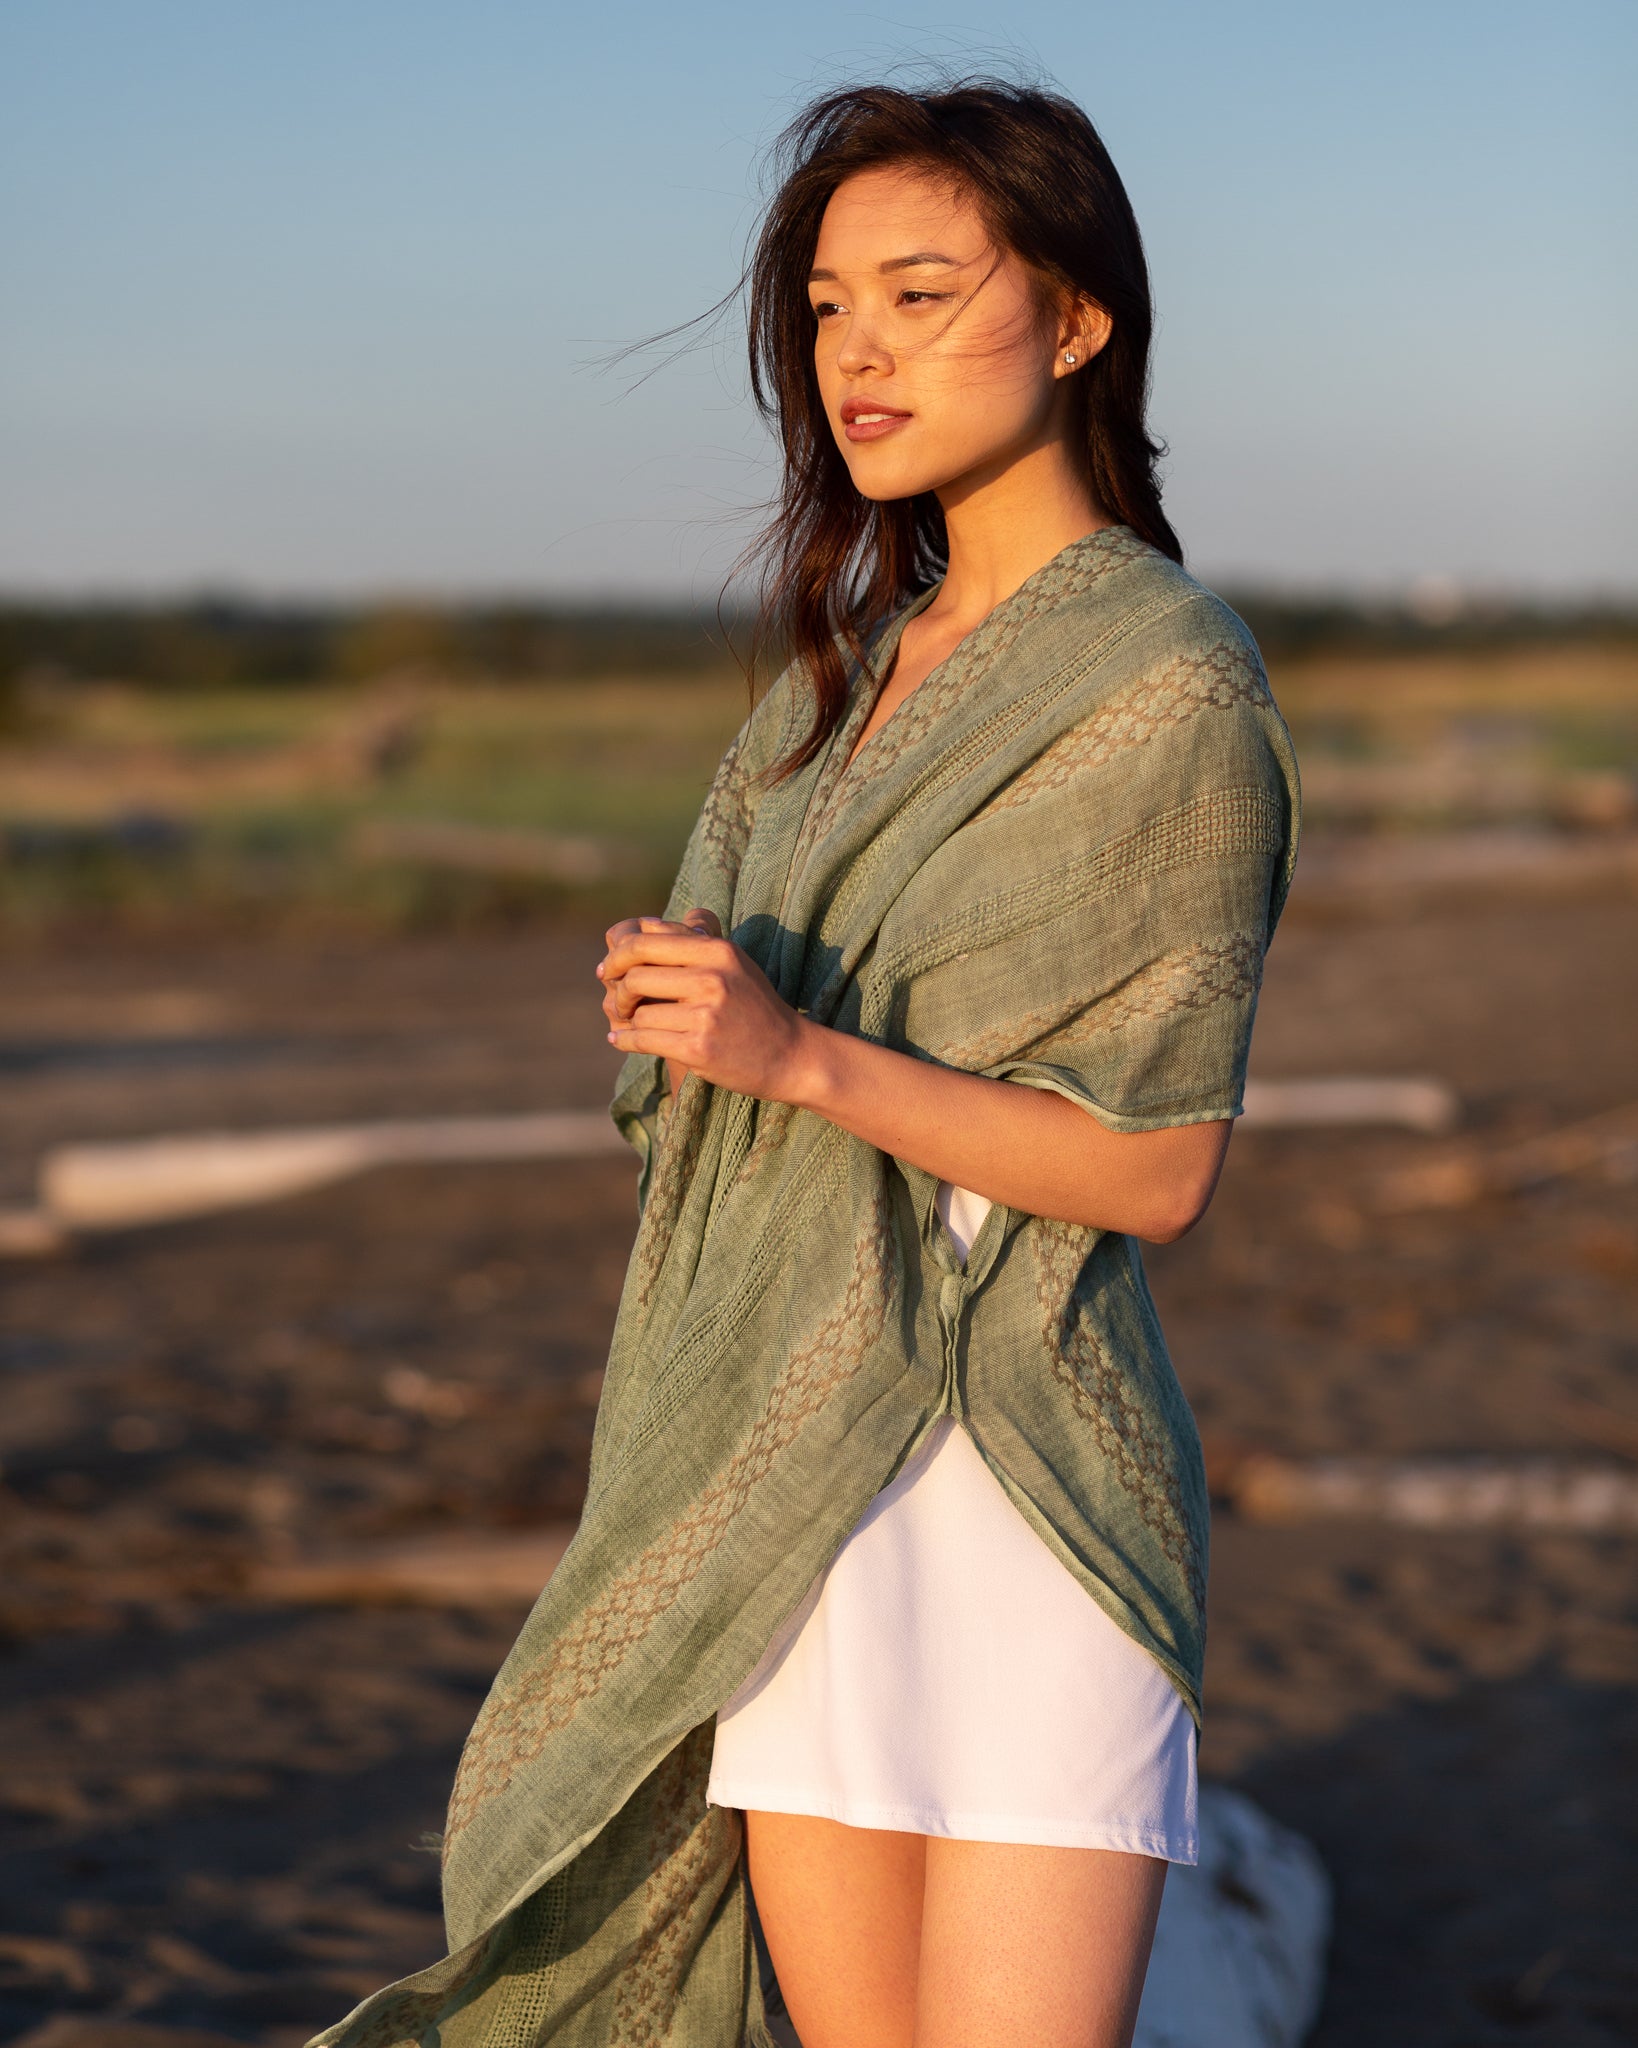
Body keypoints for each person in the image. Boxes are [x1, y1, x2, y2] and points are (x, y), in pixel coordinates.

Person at [310, 78, 1299, 2048]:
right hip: (787, 1496)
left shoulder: (1168, 686)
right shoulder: (831, 685)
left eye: (923, 293)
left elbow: (1156, 1170)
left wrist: (800, 1054)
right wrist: (686, 1018)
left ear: (1077, 318)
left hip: (1017, 1492)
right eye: (833, 306)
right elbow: (728, 1103)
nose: (861, 351)